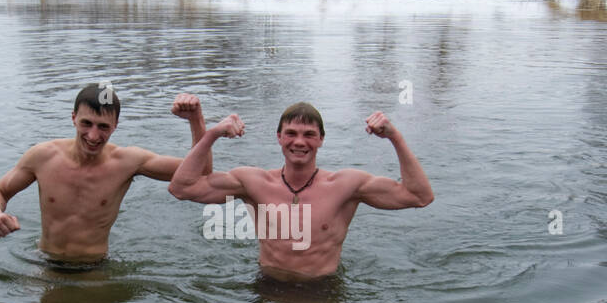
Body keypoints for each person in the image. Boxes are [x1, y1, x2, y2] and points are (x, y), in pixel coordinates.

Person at [168, 102, 434, 280]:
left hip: (323, 289)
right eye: (291, 133)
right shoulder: (252, 182)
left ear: (321, 140)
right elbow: (182, 188)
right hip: (267, 285)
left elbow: (419, 196)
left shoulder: (346, 186)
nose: (299, 141)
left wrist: (394, 137)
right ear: (279, 138)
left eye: (309, 134)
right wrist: (212, 133)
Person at [0, 84, 209, 267]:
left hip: (96, 268)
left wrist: (196, 119)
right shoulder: (43, 156)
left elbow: (201, 173)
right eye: (86, 123)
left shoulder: (128, 162)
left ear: (115, 126)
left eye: (103, 127)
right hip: (44, 262)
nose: (93, 135)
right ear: (73, 118)